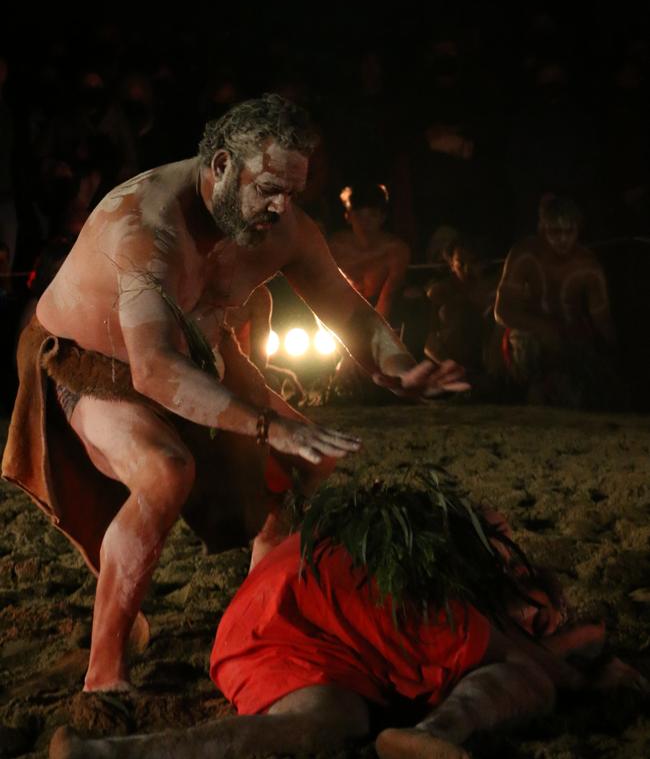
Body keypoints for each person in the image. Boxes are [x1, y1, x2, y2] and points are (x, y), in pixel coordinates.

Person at [2, 94, 467, 695]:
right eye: (269, 189)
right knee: (168, 472)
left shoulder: (281, 228)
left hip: (204, 352)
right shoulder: (146, 227)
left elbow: (347, 311)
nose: (281, 208)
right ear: (221, 165)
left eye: (292, 194)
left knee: (311, 458)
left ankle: (254, 627)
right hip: (93, 365)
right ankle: (104, 674)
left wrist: (398, 365)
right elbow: (152, 368)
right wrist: (269, 425)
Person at [38, 525, 643, 759]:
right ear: (511, 584)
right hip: (291, 621)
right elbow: (534, 664)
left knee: (329, 717)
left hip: (264, 624)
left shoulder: (442, 553)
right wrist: (591, 667)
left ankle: (98, 756)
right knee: (527, 681)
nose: (541, 624)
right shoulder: (463, 602)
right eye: (539, 613)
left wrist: (572, 643)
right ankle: (433, 733)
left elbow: (532, 645)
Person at [494, 194, 619, 407]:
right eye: (555, 232)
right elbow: (502, 311)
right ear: (543, 229)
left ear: (578, 230)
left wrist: (614, 355)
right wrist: (542, 327)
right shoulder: (524, 255)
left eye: (569, 232)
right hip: (529, 337)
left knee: (580, 381)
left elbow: (602, 320)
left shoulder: (589, 267)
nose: (562, 239)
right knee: (525, 344)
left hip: (570, 337)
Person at [329, 182, 410, 322]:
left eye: (372, 215)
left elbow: (388, 296)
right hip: (341, 310)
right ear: (348, 217)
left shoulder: (395, 250)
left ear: (382, 218)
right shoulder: (336, 247)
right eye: (359, 216)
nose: (365, 223)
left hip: (380, 311)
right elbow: (325, 290)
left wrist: (376, 331)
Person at [425, 236, 498, 376]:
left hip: (489, 362)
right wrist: (452, 368)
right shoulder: (440, 292)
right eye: (460, 263)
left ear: (484, 263)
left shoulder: (494, 290)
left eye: (474, 262)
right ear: (451, 265)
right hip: (452, 363)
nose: (467, 269)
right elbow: (428, 341)